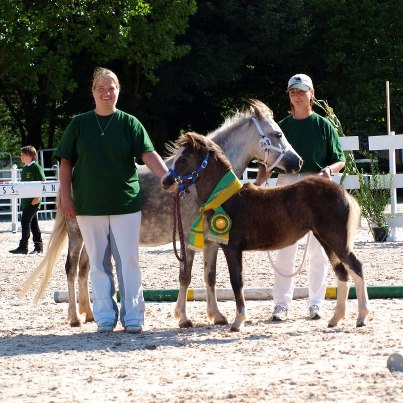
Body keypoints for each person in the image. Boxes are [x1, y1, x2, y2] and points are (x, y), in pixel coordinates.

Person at [54, 67, 168, 334]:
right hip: (88, 206)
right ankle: (105, 316)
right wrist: (66, 197)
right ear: (93, 91)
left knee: (129, 260)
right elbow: (66, 162)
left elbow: (148, 154)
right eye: (101, 88)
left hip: (125, 204)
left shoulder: (130, 123)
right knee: (97, 263)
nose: (106, 93)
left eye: (111, 88)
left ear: (118, 91)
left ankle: (133, 316)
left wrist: (167, 177)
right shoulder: (78, 124)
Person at [255, 73, 346, 322]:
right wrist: (259, 182)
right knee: (285, 247)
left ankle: (316, 303)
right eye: (293, 92)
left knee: (319, 250)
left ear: (311, 94)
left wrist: (328, 171)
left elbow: (339, 159)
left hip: (317, 187)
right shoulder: (281, 127)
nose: (296, 95)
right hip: (287, 187)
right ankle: (281, 304)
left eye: (301, 91)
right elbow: (267, 161)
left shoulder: (324, 125)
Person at [9, 145, 46, 255]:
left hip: (33, 201)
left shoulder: (36, 167)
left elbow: (43, 182)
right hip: (26, 201)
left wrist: (37, 197)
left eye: (23, 155)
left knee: (25, 222)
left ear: (30, 156)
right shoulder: (25, 168)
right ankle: (38, 247)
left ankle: (23, 247)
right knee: (33, 224)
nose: (21, 157)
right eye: (21, 155)